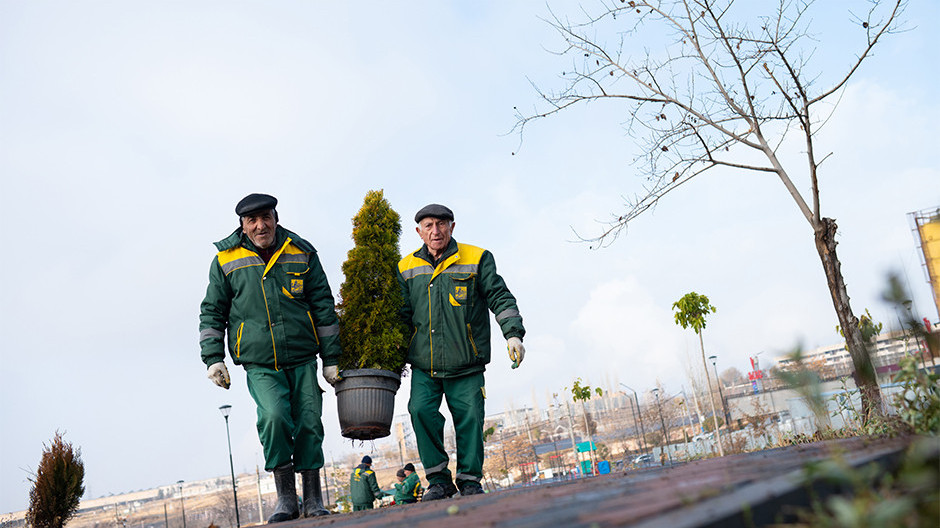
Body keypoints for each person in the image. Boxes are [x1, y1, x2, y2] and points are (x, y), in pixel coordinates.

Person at [199, 193, 342, 522]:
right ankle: (286, 499)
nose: (261, 225)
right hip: (260, 361)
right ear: (243, 226)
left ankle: (313, 497)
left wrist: (331, 358)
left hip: (303, 355)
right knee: (275, 419)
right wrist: (213, 358)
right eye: (253, 220)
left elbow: (322, 303)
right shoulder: (225, 260)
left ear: (276, 218)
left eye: (266, 217)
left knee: (309, 423)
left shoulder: (302, 252)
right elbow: (212, 311)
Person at [397, 204, 526, 500]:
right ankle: (439, 481)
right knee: (420, 411)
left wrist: (513, 334)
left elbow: (499, 295)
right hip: (424, 365)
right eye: (428, 225)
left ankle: (469, 481)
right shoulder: (405, 268)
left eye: (441, 224)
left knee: (469, 419)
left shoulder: (477, 258)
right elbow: (401, 316)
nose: (435, 231)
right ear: (419, 232)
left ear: (452, 227)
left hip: (466, 362)